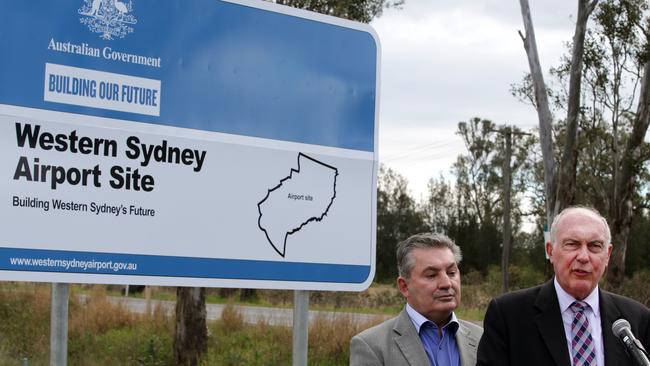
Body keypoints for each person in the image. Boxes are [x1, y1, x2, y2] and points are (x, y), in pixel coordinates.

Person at [477, 206, 650, 365]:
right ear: (550, 251)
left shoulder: (637, 319)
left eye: (594, 246)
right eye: (572, 244)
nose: (583, 256)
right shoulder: (508, 315)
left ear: (608, 255)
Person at [350, 232, 483, 365]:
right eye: (431, 275)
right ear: (404, 287)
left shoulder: (481, 338)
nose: (446, 283)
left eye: (451, 273)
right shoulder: (372, 347)